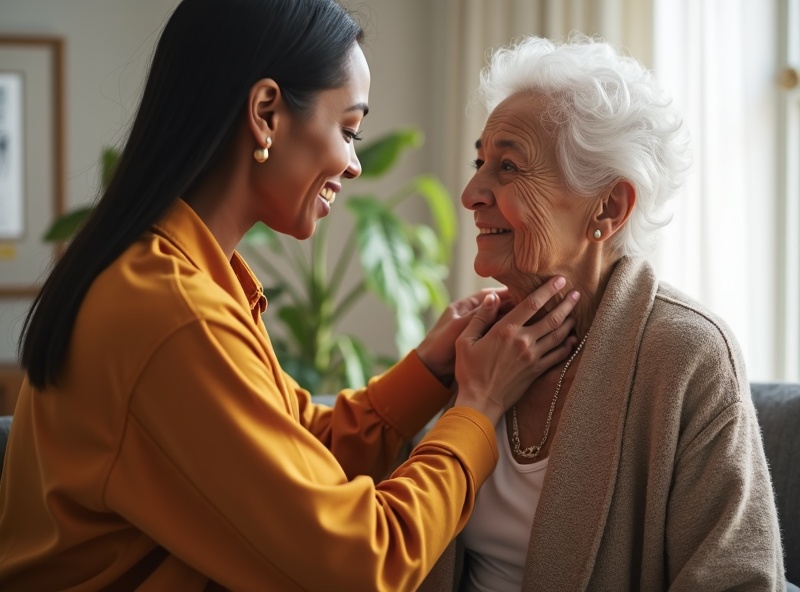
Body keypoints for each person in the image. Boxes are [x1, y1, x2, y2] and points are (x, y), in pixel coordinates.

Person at [0, 2, 583, 590]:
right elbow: (362, 565)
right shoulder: (171, 313)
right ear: (266, 113)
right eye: (349, 129)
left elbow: (299, 447)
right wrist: (477, 409)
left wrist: (430, 369)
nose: (354, 164)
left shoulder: (175, 275)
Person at [420, 33, 786, 591]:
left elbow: (737, 580)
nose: (471, 191)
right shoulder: (472, 343)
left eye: (509, 167)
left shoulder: (688, 355)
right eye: (480, 161)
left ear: (609, 207)